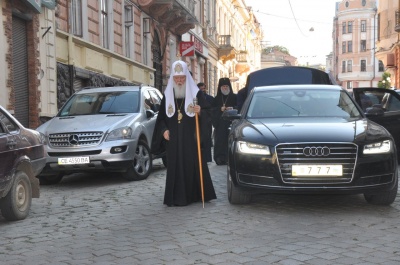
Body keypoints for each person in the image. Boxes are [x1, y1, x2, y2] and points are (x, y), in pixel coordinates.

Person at [152, 60, 217, 206]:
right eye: (176, 78)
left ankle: (194, 195)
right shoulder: (167, 95)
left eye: (182, 78)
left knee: (191, 164)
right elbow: (161, 117)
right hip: (173, 139)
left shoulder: (196, 94)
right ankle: (175, 197)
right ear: (172, 79)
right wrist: (164, 130)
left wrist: (200, 112)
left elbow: (208, 112)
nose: (179, 81)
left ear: (187, 77)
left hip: (190, 139)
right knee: (174, 165)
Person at [211, 78, 237, 165]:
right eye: (223, 86)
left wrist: (232, 108)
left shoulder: (234, 97)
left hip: (231, 123)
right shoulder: (216, 99)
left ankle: (229, 158)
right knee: (220, 141)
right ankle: (219, 158)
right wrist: (219, 109)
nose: (225, 88)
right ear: (220, 87)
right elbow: (212, 110)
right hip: (220, 124)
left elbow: (239, 107)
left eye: (226, 86)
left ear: (229, 87)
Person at [197, 82, 214, 163]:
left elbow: (210, 111)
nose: (203, 90)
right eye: (201, 89)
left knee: (207, 140)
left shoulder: (210, 98)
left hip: (207, 122)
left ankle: (206, 158)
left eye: (204, 89)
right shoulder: (197, 95)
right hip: (199, 123)